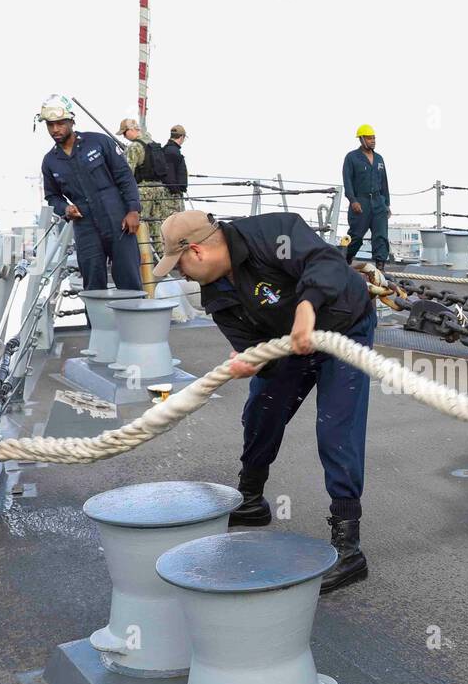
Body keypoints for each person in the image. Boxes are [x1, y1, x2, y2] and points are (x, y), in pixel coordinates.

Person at [152, 209, 377, 592]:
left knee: (336, 427)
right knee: (261, 412)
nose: (181, 275)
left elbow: (324, 263)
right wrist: (252, 362)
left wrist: (306, 307)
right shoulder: (217, 296)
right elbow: (252, 347)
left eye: (179, 265)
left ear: (197, 251)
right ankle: (251, 500)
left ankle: (348, 545)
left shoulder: (275, 232)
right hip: (289, 346)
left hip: (343, 327)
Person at [38, 95, 142, 291]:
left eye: (60, 123)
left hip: (118, 219)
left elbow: (125, 177)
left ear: (71, 121)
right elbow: (52, 196)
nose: (55, 130)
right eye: (50, 125)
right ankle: (96, 322)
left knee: (129, 278)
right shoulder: (50, 161)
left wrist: (133, 210)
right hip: (85, 226)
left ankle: (133, 321)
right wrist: (65, 208)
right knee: (92, 282)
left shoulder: (99, 142)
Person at [119, 117, 182, 264]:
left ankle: (142, 260)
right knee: (157, 226)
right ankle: (164, 259)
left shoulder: (134, 147)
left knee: (140, 225)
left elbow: (127, 172)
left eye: (124, 133)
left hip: (143, 191)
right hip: (159, 190)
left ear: (132, 130)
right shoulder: (152, 143)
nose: (124, 136)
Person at [342, 124, 391, 267]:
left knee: (381, 235)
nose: (373, 140)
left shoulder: (379, 159)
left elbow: (384, 183)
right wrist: (353, 200)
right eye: (370, 138)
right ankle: (346, 260)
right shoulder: (351, 157)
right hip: (360, 202)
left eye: (374, 138)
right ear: (361, 139)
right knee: (356, 235)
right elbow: (347, 181)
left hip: (378, 201)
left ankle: (380, 266)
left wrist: (386, 204)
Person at [163, 124, 188, 198]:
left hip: (167, 191)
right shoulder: (174, 152)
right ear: (181, 137)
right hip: (172, 195)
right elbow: (170, 174)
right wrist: (177, 192)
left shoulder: (165, 149)